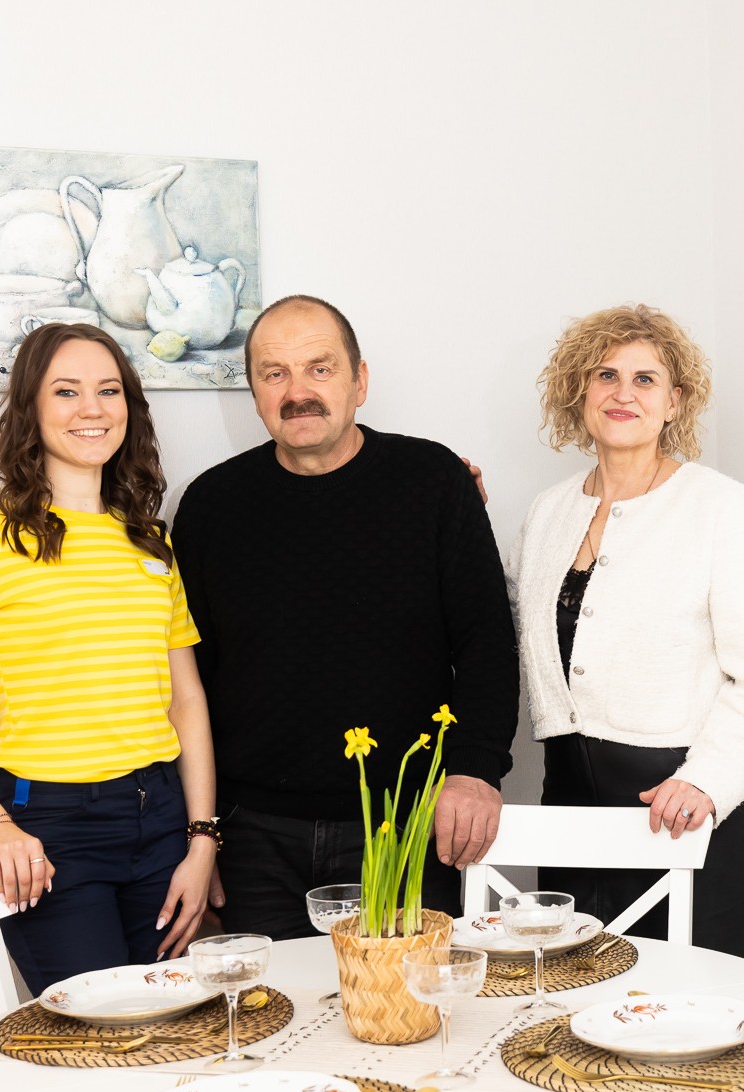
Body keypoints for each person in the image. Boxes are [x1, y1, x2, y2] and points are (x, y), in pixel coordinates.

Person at [171, 294, 519, 940]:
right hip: (254, 844)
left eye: (319, 368)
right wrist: (202, 831)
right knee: (266, 1027)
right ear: (253, 393)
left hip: (407, 828)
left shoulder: (434, 482)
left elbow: (486, 641)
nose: (297, 391)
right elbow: (187, 684)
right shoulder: (210, 507)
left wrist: (475, 768)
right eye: (274, 373)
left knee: (403, 1025)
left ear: (360, 381)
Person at [0, 323, 217, 995]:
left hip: (159, 819)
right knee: (99, 1046)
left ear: (130, 406)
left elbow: (185, 699)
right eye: (65, 391)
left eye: (108, 390)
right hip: (51, 834)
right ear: (30, 410)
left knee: (174, 1037)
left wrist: (201, 838)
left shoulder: (150, 541)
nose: (91, 409)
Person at [507, 303, 744, 965]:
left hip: (682, 802)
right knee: (580, 1013)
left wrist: (706, 780)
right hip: (571, 806)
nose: (621, 392)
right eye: (605, 375)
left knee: (701, 1016)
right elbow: (510, 629)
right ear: (578, 393)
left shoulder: (723, 507)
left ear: (674, 401)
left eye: (644, 379)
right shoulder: (547, 513)